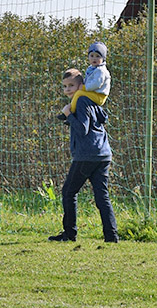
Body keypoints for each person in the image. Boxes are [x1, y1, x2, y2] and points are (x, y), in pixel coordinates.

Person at [49, 68, 119, 243]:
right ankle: (112, 236)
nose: (68, 90)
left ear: (82, 84)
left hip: (87, 155)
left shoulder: (80, 101)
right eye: (65, 86)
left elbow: (82, 129)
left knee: (69, 191)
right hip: (103, 154)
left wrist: (68, 116)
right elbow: (101, 119)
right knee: (101, 195)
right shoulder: (92, 100)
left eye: (71, 85)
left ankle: (69, 234)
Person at [57, 42, 111, 123]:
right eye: (92, 56)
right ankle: (71, 112)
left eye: (98, 56)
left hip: (99, 96)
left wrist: (84, 87)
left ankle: (69, 114)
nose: (94, 59)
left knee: (79, 93)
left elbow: (97, 84)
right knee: (79, 94)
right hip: (94, 94)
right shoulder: (91, 68)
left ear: (103, 58)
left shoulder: (101, 70)